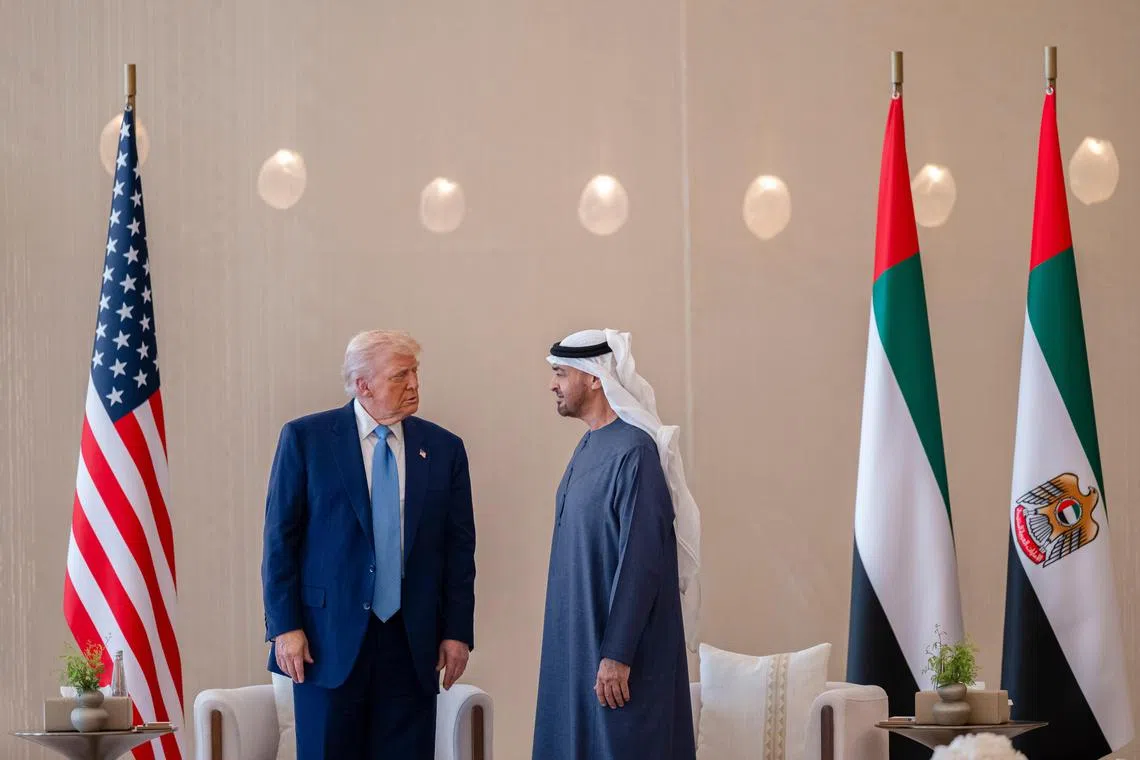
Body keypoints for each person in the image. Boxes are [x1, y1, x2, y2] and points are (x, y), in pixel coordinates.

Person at [261, 330, 476, 760]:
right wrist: (284, 627)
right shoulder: (306, 439)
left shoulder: (444, 449)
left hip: (411, 641)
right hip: (326, 642)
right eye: (401, 375)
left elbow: (459, 549)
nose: (415, 384)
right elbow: (279, 541)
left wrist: (457, 632)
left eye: (415, 373)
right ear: (364, 385)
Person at [532, 328, 701, 760]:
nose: (552, 384)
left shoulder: (635, 452)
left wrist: (617, 653)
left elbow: (642, 561)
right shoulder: (589, 446)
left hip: (621, 662)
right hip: (580, 648)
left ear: (593, 377)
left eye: (560, 373)